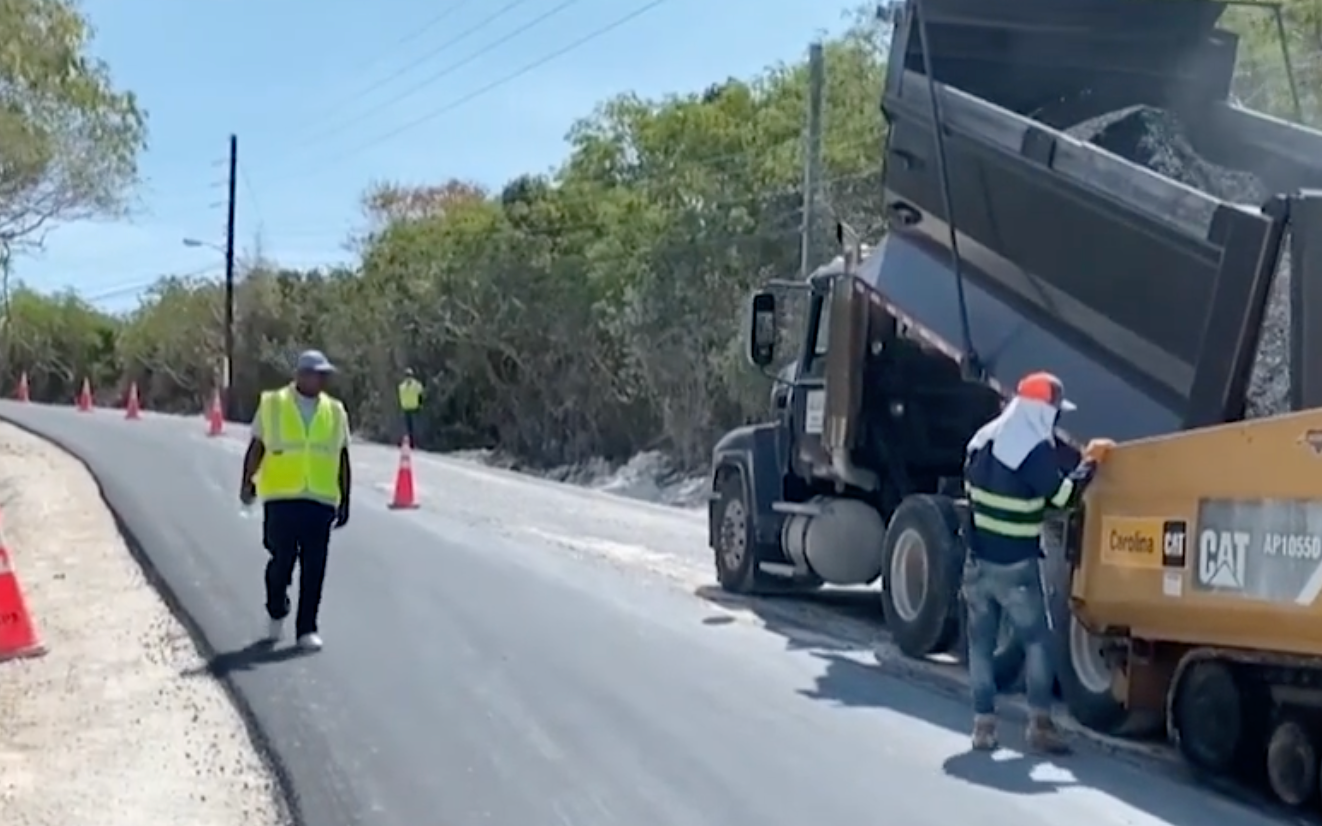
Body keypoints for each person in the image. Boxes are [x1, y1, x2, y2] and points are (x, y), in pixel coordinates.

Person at [962, 371, 1114, 753]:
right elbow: (1063, 499)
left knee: (980, 645)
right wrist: (1090, 463)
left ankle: (983, 726)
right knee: (1038, 642)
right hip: (1016, 566)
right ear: (1042, 412)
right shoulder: (1032, 449)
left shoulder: (983, 439)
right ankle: (1039, 725)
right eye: (1055, 413)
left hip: (977, 561)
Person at [239, 349, 352, 652]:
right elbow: (257, 446)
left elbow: (341, 455)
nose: (319, 380)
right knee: (281, 561)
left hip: (319, 498)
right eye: (314, 374)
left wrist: (345, 499)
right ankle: (276, 608)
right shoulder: (273, 404)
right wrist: (247, 482)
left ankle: (307, 628)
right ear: (300, 375)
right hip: (282, 497)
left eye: (323, 375)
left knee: (314, 567)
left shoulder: (335, 411)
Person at [397, 368, 423, 446]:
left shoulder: (416, 385)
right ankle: (408, 442)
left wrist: (420, 404)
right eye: (407, 376)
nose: (408, 377)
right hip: (405, 408)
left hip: (414, 408)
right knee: (407, 428)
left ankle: (415, 442)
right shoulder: (402, 386)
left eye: (409, 375)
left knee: (414, 427)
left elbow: (420, 395)